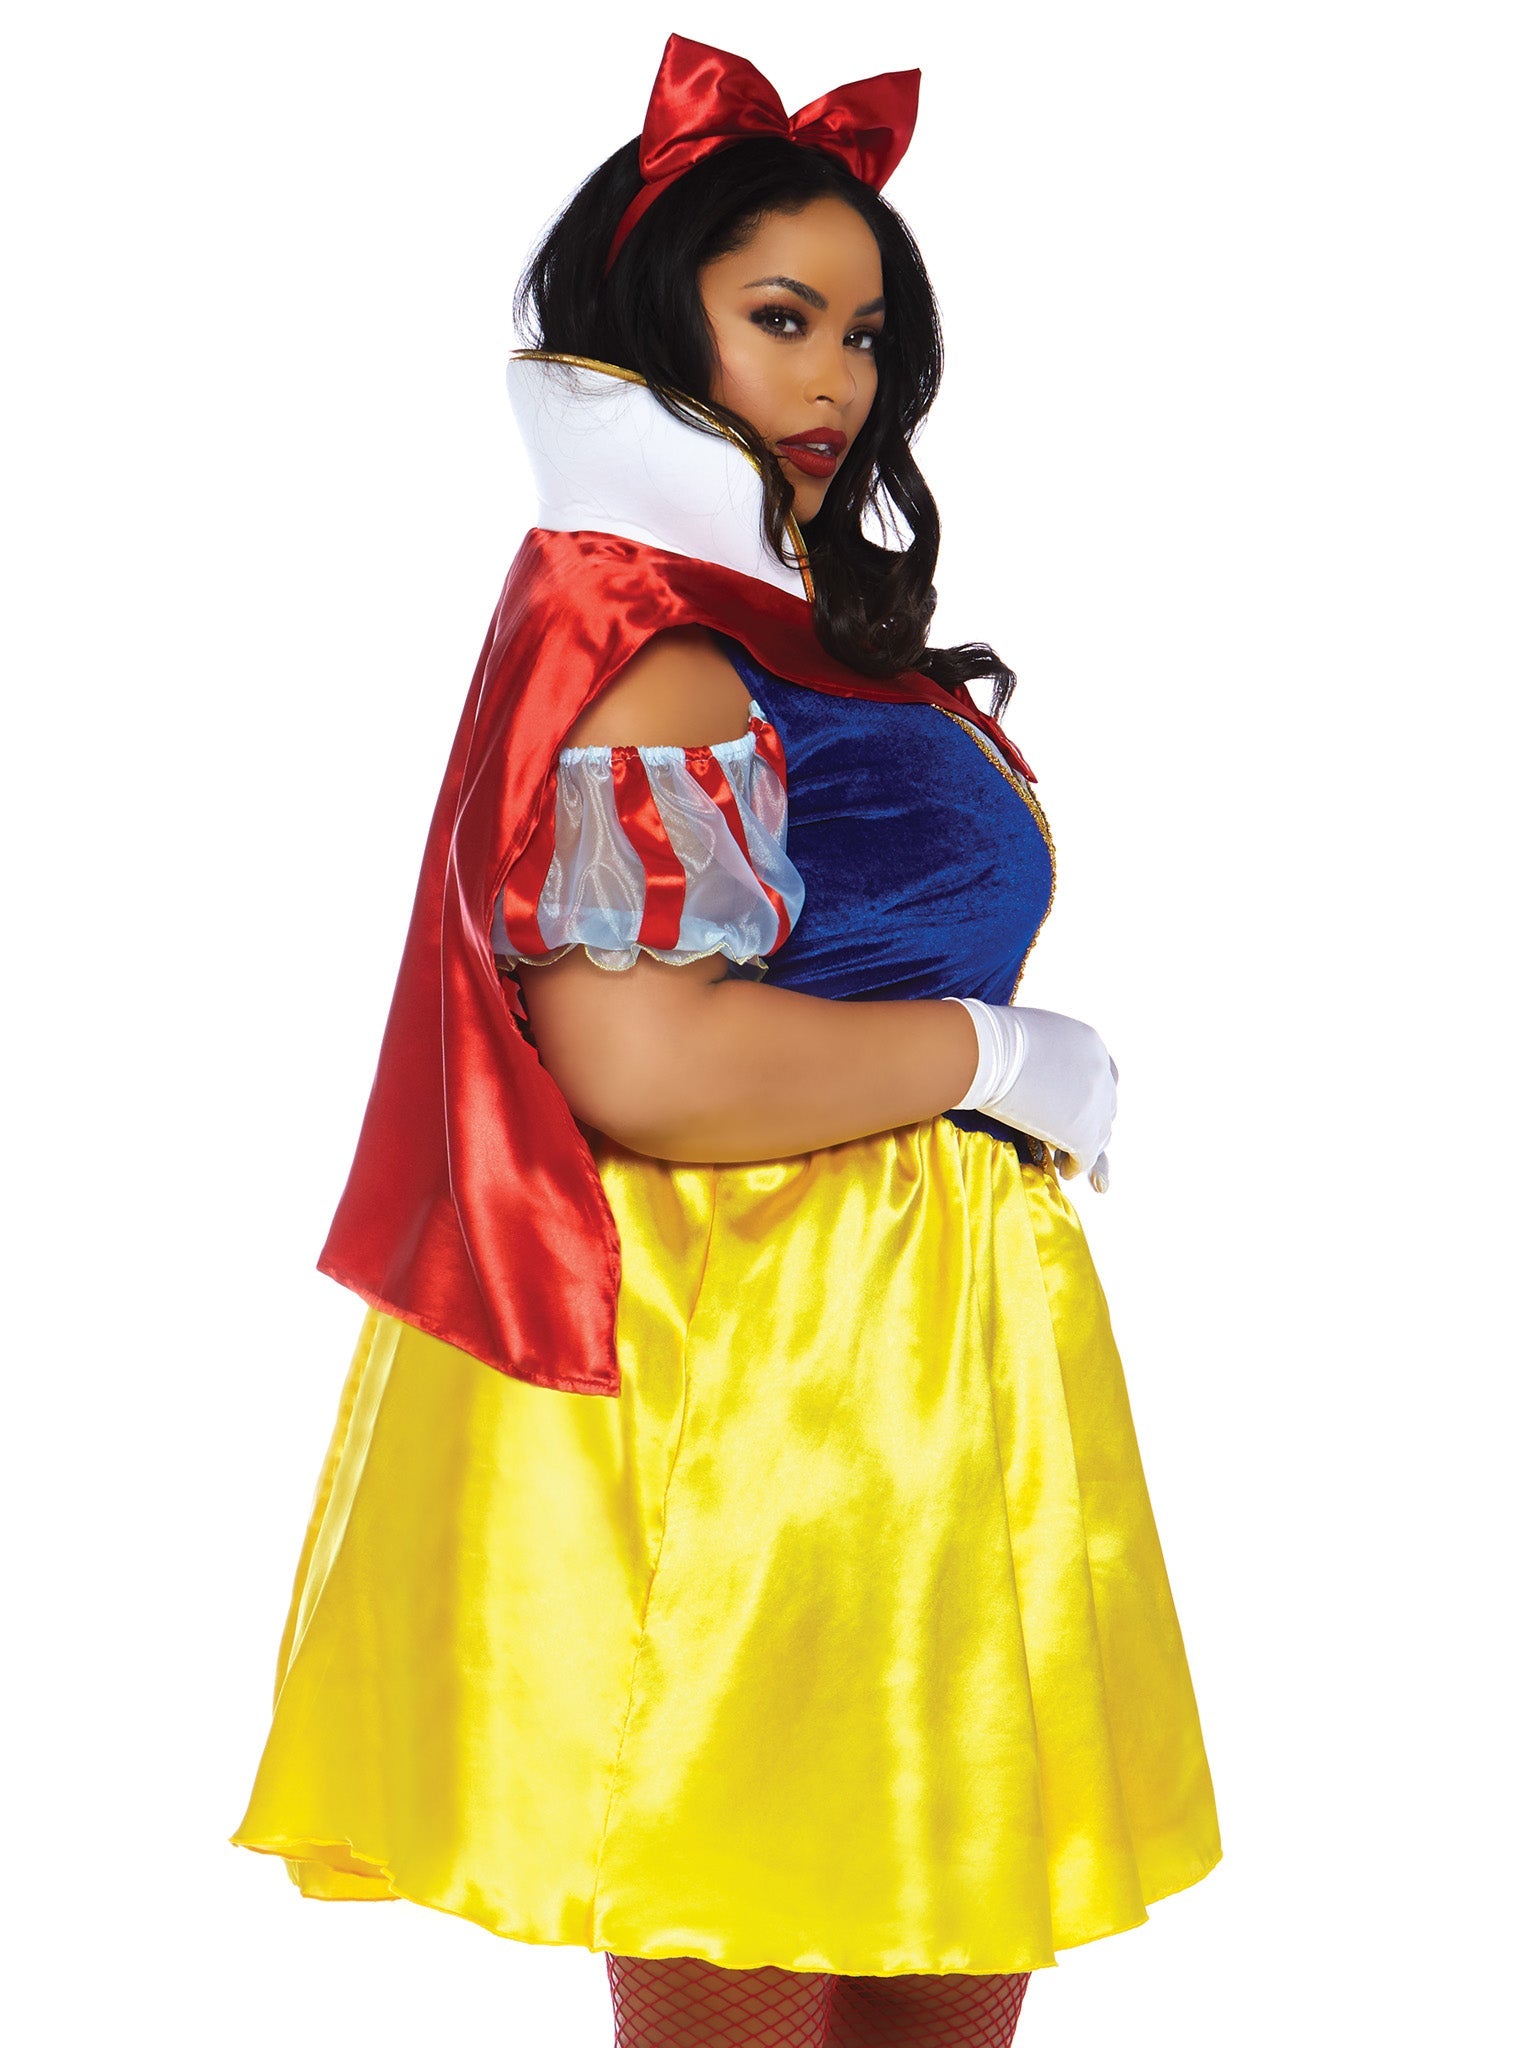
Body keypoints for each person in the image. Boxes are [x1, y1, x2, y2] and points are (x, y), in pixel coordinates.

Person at [229, 34, 1221, 2046]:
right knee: (751, 1922)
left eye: (863, 333)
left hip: (912, 1375)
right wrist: (991, 1055)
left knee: (938, 1939)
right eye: (782, 318)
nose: (839, 380)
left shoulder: (771, 626)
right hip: (763, 1378)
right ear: (650, 317)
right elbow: (645, 1065)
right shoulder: (661, 654)